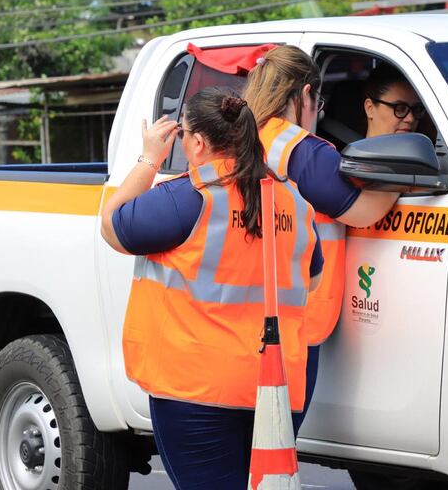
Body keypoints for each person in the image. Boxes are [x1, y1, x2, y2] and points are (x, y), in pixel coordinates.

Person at [100, 86, 322, 490]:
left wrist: (149, 157)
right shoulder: (294, 202)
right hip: (276, 389)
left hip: (198, 393)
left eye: (184, 135)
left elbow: (112, 225)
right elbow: (312, 277)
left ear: (199, 142)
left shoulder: (188, 198)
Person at [243, 46, 400, 432]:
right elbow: (364, 210)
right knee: (273, 444)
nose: (319, 112)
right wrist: (402, 170)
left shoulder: (245, 136)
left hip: (240, 313)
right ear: (305, 96)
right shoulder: (302, 151)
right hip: (291, 319)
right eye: (319, 101)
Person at [363, 63, 426, 138]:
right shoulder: (352, 150)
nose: (411, 119)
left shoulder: (424, 148)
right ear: (370, 108)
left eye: (417, 109)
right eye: (400, 108)